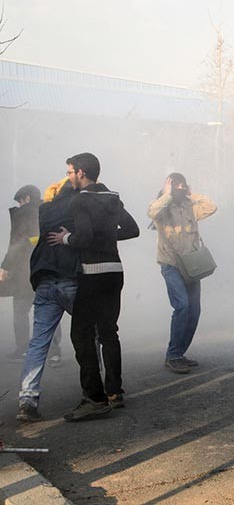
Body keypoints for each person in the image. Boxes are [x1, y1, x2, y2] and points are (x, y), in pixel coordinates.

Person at [47, 152, 139, 421]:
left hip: (93, 274)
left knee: (81, 335)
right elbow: (133, 230)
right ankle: (115, 392)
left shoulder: (81, 200)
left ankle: (94, 398)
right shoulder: (112, 197)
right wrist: (109, 236)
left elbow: (84, 237)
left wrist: (66, 239)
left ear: (81, 173)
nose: (68, 177)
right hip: (115, 272)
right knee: (109, 332)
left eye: (69, 172)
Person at [16, 179, 80, 422]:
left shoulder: (44, 210)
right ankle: (97, 390)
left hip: (44, 279)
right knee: (90, 333)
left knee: (38, 342)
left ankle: (27, 400)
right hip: (69, 278)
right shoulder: (77, 207)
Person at [148, 173, 217, 374]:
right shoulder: (162, 206)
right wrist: (167, 194)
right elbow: (152, 211)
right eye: (175, 185)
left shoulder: (189, 206)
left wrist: (190, 193)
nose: (179, 189)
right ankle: (173, 355)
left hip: (192, 266)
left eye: (182, 185)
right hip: (171, 265)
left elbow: (211, 207)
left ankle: (179, 352)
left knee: (194, 310)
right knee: (183, 306)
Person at [1, 185, 42, 359]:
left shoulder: (24, 215)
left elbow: (17, 245)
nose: (19, 205)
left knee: (20, 312)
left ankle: (23, 349)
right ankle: (53, 351)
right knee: (46, 312)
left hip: (24, 273)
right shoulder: (46, 213)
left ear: (27, 199)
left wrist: (5, 267)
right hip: (42, 272)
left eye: (20, 201)